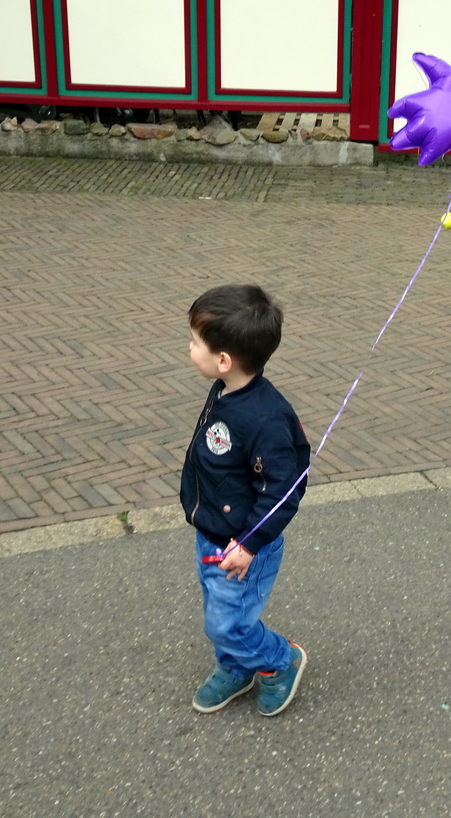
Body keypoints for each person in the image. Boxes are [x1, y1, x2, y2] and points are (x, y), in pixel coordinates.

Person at [180, 283, 310, 716]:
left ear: (223, 359)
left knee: (227, 621)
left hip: (244, 547)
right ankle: (237, 665)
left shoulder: (266, 419)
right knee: (220, 614)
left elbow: (283, 490)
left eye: (196, 341)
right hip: (213, 534)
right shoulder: (225, 389)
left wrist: (250, 544)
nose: (189, 347)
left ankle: (278, 661)